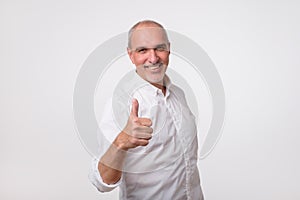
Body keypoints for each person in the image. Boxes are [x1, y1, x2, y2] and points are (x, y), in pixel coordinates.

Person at [89, 20, 204, 200]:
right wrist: (121, 142)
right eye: (143, 50)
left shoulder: (178, 94)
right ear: (131, 55)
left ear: (169, 49)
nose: (153, 58)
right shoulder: (121, 102)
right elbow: (101, 181)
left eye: (159, 48)